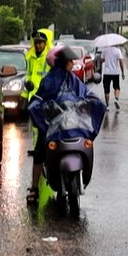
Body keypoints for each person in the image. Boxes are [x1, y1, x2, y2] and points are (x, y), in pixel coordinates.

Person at [27, 46, 106, 203]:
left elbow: (86, 93)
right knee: (39, 152)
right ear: (63, 62)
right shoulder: (49, 81)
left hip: (72, 123)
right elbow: (37, 100)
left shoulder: (73, 79)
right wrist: (40, 111)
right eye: (70, 61)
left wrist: (95, 101)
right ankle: (34, 188)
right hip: (52, 126)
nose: (72, 64)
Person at [22, 29, 54, 201]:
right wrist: (24, 97)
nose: (38, 45)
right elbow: (29, 76)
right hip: (35, 102)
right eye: (36, 42)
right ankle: (36, 183)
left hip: (49, 104)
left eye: (41, 42)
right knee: (39, 141)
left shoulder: (51, 59)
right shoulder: (32, 57)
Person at [101, 44, 124, 110]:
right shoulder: (118, 51)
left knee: (106, 90)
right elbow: (121, 62)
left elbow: (101, 60)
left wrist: (105, 59)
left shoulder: (104, 50)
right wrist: (122, 72)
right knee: (117, 87)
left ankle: (107, 105)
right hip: (115, 73)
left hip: (107, 73)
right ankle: (116, 99)